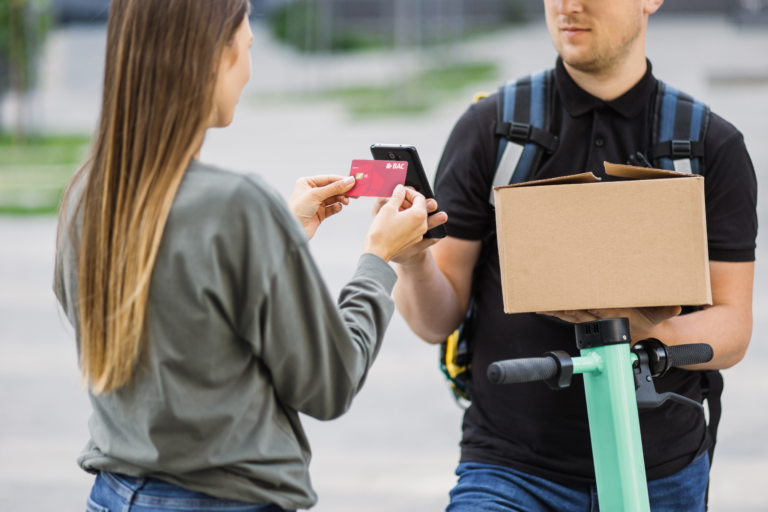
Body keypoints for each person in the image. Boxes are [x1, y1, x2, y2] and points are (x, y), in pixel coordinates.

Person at [54, 1, 446, 511]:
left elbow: (179, 322)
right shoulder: (237, 205)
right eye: (247, 47)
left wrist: (277, 237)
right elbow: (331, 382)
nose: (249, 69)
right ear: (213, 54)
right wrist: (378, 256)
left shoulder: (88, 194)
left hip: (113, 494)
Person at [384, 0, 757, 510]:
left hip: (660, 473)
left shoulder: (708, 145)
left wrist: (638, 331)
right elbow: (435, 321)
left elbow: (733, 328)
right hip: (509, 470)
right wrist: (412, 261)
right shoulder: (491, 130)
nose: (566, 6)